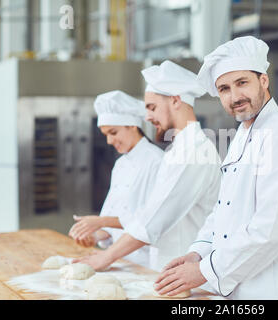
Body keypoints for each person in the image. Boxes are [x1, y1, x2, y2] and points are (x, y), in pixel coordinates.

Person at [154, 36, 278, 299]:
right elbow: (225, 209)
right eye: (224, 88)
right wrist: (198, 252)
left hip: (277, 288)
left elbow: (271, 230)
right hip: (245, 288)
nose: (234, 96)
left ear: (264, 81)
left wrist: (205, 271)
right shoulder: (242, 135)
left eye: (242, 83)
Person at [73, 61, 222, 272]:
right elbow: (147, 215)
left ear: (176, 100)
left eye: (152, 108)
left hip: (187, 273)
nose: (148, 117)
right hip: (170, 270)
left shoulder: (195, 151)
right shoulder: (179, 150)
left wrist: (107, 257)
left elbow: (153, 220)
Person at [68, 90, 163, 267]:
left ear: (132, 125)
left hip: (148, 263)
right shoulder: (120, 165)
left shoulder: (156, 162)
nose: (109, 141)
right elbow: (115, 217)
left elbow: (150, 221)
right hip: (119, 259)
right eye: (106, 135)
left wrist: (99, 221)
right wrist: (95, 236)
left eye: (113, 132)